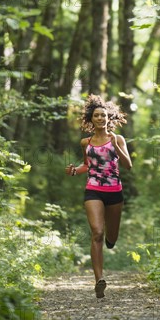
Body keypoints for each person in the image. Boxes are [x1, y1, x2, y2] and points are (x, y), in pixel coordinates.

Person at [65, 94, 132, 298]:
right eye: (97, 115)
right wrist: (76, 170)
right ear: (91, 119)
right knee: (96, 232)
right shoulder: (86, 142)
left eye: (104, 115)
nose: (101, 118)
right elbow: (88, 164)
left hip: (114, 191)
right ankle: (99, 280)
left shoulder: (118, 139)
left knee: (111, 237)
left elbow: (128, 165)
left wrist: (117, 146)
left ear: (108, 118)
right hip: (93, 189)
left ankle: (111, 242)